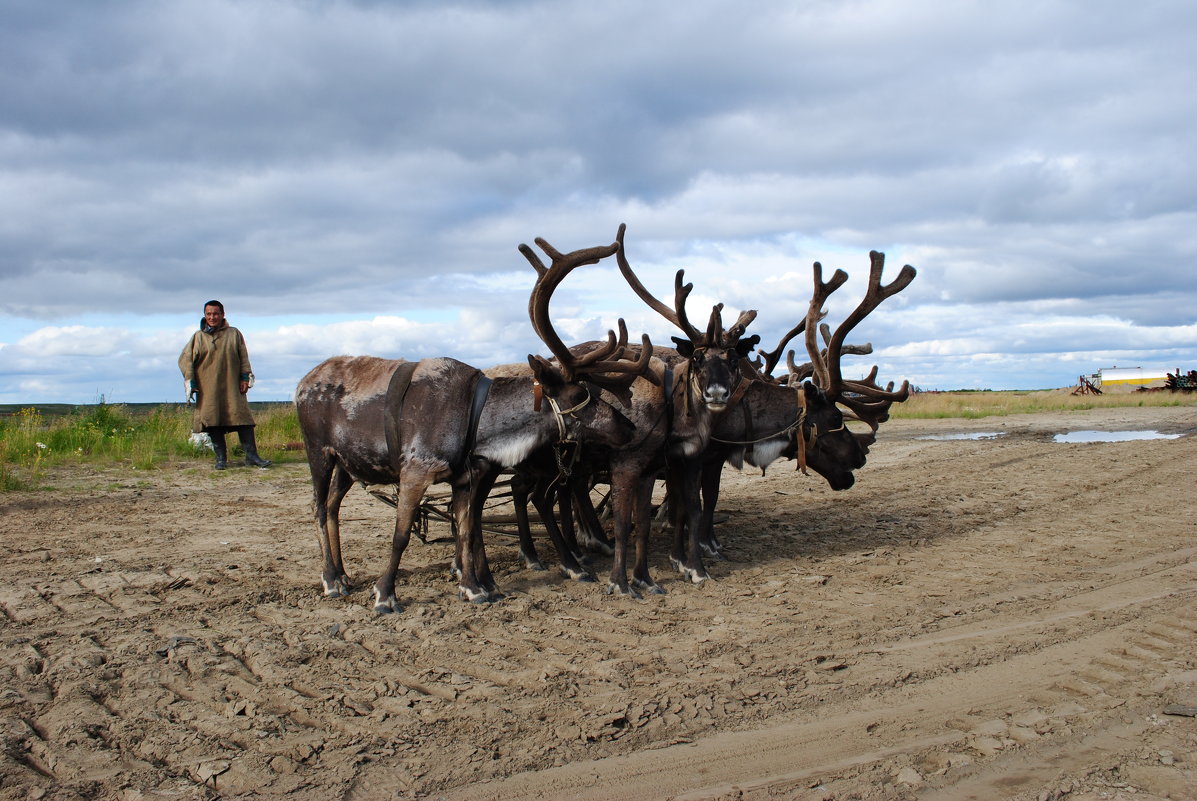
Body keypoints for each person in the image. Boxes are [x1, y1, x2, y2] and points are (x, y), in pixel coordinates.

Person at [178, 300, 272, 469]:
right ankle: (221, 459)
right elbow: (186, 360)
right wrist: (190, 382)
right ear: (204, 315)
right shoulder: (198, 337)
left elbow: (243, 357)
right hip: (208, 387)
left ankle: (252, 456)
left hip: (232, 385)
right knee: (213, 420)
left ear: (222, 315)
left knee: (243, 420)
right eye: (208, 314)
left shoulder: (234, 334)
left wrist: (245, 377)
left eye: (215, 314)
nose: (212, 317)